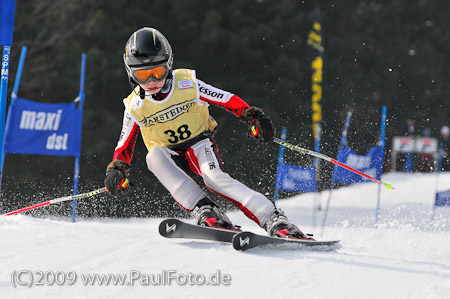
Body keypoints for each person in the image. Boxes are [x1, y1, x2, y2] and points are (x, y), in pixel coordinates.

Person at [103, 27, 312, 239]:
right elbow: (124, 145)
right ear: (130, 74)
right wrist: (117, 169)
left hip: (199, 146)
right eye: (142, 75)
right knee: (153, 156)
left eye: (157, 73)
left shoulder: (186, 84)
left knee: (214, 178)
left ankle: (273, 218)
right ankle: (206, 210)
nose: (151, 82)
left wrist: (253, 117)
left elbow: (225, 98)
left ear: (168, 65)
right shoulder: (134, 106)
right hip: (171, 158)